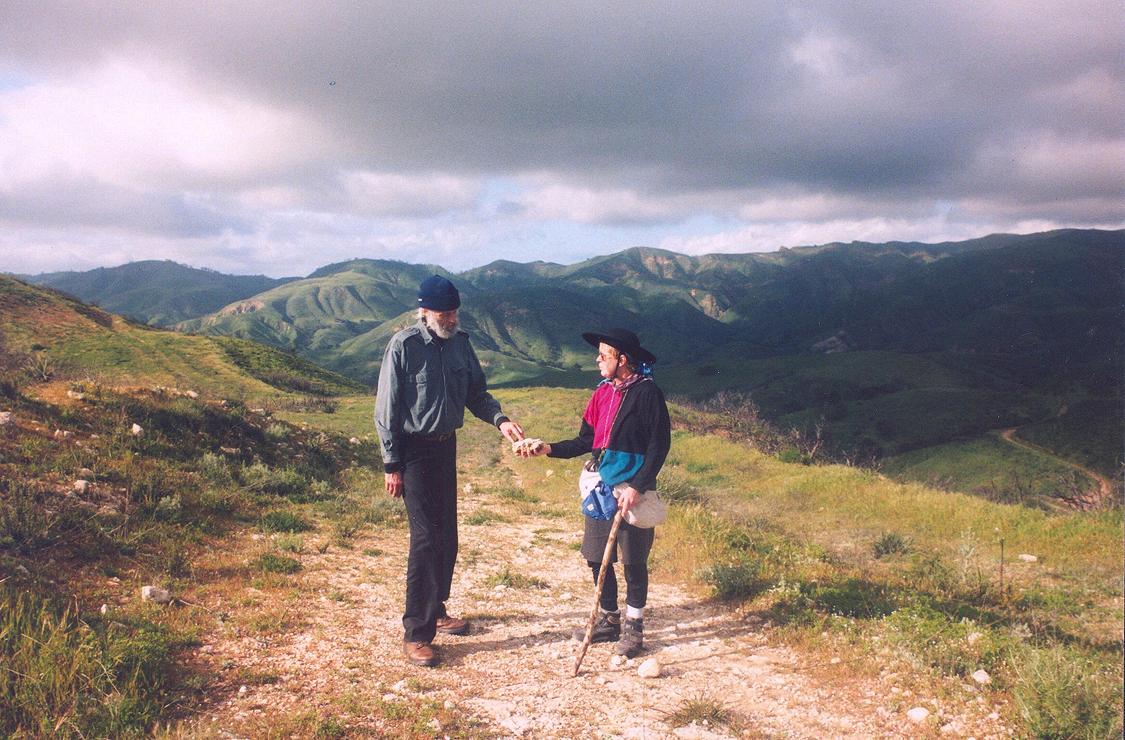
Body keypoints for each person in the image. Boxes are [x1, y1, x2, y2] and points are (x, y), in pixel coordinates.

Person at [375, 275, 525, 667]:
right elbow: (386, 410)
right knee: (425, 539)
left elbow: (476, 393)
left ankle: (437, 608)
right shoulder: (403, 346)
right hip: (413, 452)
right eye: (444, 312)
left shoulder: (461, 344)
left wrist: (500, 420)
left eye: (455, 311)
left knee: (447, 535)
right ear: (425, 312)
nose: (451, 318)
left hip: (446, 447)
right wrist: (392, 463)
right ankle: (416, 633)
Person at [518, 328, 670, 657]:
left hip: (632, 489)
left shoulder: (648, 394)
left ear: (623, 360)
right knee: (595, 556)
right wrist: (548, 448)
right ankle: (610, 619)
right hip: (601, 487)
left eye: (604, 354)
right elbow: (586, 440)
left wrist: (638, 486)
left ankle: (634, 627)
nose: (597, 359)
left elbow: (659, 446)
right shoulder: (602, 393)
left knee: (633, 561)